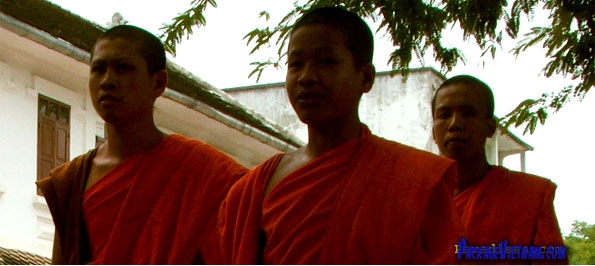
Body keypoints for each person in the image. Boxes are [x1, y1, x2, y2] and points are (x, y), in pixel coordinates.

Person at [218, 6, 465, 264]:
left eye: (326, 62)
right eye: (296, 64)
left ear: (366, 77)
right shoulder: (250, 190)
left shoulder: (413, 180)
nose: (306, 77)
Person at [36, 25, 248, 264]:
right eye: (98, 69)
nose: (107, 81)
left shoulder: (206, 172)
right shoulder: (72, 180)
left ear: (158, 82)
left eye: (123, 68)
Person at [432, 74, 568, 264]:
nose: (455, 124)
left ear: (490, 128)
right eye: (444, 115)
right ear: (433, 132)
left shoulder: (530, 195)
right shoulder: (417, 199)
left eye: (469, 113)